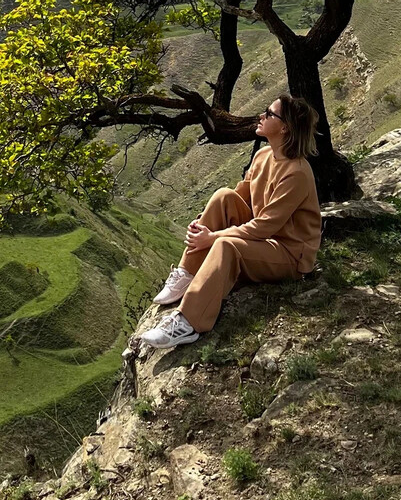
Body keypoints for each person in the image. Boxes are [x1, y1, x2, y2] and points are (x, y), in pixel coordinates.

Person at [138, 95, 323, 352]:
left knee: (227, 246)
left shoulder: (296, 173)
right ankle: (188, 272)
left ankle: (188, 322)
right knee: (223, 197)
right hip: (266, 239)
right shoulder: (263, 155)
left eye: (269, 114)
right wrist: (205, 225)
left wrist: (213, 237)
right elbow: (242, 196)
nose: (261, 116)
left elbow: (265, 227)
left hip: (289, 253)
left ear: (285, 127)